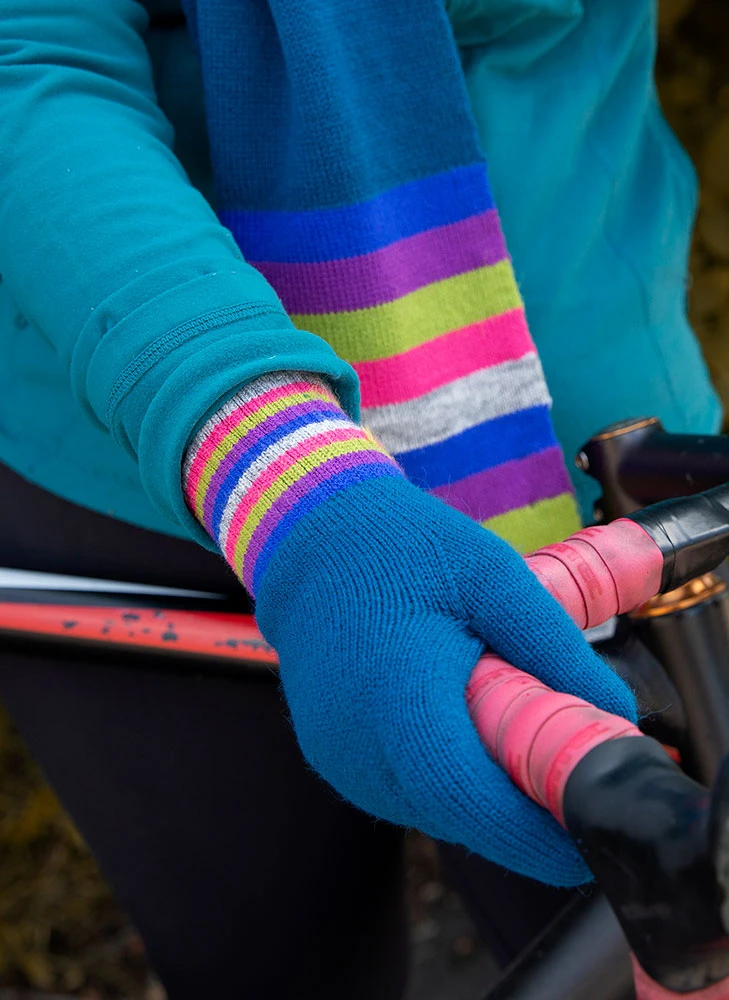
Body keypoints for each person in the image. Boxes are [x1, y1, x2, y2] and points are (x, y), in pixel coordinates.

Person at [0, 1, 719, 997]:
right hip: (134, 452)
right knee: (271, 967)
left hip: (589, 443)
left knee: (668, 920)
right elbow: (27, 51)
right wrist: (289, 483)